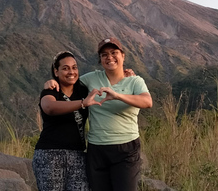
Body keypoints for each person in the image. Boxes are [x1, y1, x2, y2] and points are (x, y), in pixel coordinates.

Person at [44, 37, 153, 191]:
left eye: (114, 52)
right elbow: (69, 80)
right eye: (104, 54)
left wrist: (118, 95)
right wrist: (51, 82)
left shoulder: (135, 81)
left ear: (123, 56)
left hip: (126, 149)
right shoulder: (91, 78)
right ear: (100, 59)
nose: (109, 57)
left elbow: (147, 102)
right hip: (97, 150)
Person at [32, 51, 102, 191]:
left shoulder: (83, 90)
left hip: (78, 155)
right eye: (65, 68)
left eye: (74, 67)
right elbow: (49, 107)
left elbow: (107, 83)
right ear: (56, 72)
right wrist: (82, 103)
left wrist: (125, 76)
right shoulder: (51, 90)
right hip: (50, 155)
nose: (71, 72)